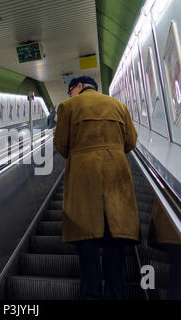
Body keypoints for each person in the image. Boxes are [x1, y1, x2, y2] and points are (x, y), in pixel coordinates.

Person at [54, 75, 139, 300]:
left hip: (83, 178)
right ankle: (116, 294)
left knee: (87, 241)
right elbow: (131, 141)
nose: (70, 95)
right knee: (116, 240)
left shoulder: (68, 106)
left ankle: (91, 295)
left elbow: (61, 145)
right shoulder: (119, 106)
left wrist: (82, 153)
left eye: (70, 90)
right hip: (117, 177)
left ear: (79, 87)